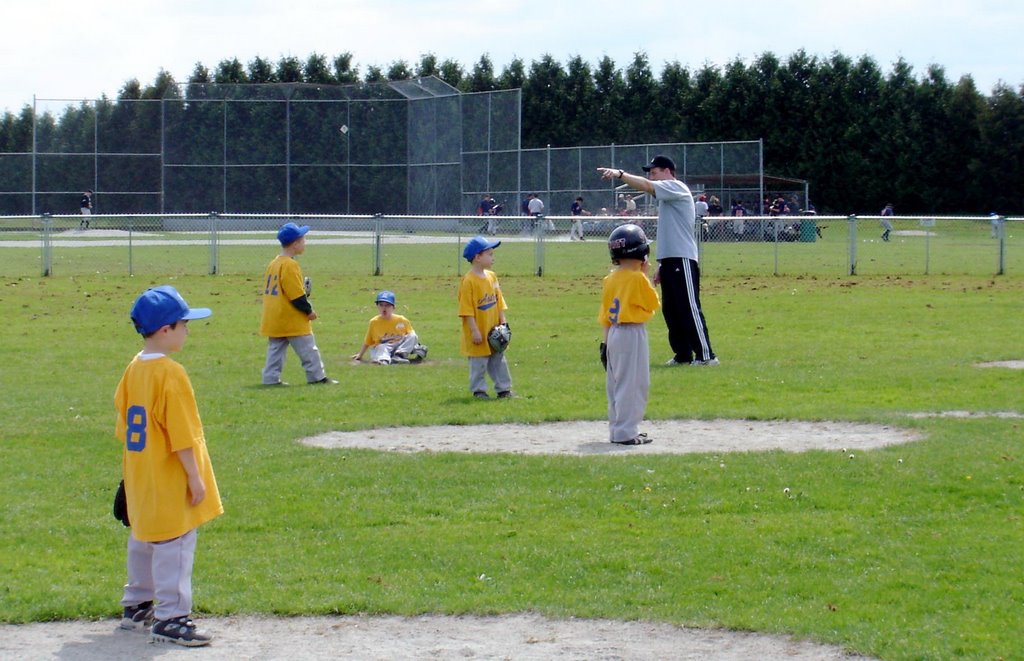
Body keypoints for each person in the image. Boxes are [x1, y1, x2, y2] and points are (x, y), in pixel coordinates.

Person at [115, 285, 222, 647]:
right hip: (168, 476)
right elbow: (182, 436)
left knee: (144, 539)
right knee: (174, 544)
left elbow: (124, 427)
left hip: (140, 475)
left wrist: (126, 478)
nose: (187, 330)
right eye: (182, 324)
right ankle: (172, 617)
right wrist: (195, 478)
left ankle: (137, 606)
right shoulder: (170, 373)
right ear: (165, 330)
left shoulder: (134, 368)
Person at [597, 155, 718, 367]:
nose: (651, 176)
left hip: (683, 258)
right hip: (670, 260)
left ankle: (706, 356)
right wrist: (662, 264)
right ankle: (683, 355)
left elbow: (646, 186)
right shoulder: (667, 196)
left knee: (688, 307)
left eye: (654, 172)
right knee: (671, 310)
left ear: (668, 171)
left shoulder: (676, 186)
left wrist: (620, 174)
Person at [599, 224, 660, 445]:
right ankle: (626, 432)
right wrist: (645, 276)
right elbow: (653, 303)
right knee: (633, 385)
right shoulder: (637, 278)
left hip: (613, 333)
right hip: (632, 333)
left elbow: (604, 315)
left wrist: (605, 344)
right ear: (641, 252)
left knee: (616, 384)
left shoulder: (610, 279)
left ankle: (618, 429)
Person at [259, 222, 337, 386]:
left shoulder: (274, 263)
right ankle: (317, 377)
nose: (304, 243)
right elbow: (295, 295)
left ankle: (270, 379)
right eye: (303, 240)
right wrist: (308, 310)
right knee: (309, 350)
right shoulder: (290, 265)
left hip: (274, 316)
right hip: (291, 317)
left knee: (275, 351)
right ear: (295, 244)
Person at [458, 236, 513, 399]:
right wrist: (474, 331)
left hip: (494, 329)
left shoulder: (492, 276)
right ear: (477, 257)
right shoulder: (468, 281)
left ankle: (504, 389)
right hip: (478, 331)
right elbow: (466, 310)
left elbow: (499, 300)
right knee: (479, 363)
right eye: (489, 254)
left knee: (499, 360)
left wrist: (503, 321)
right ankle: (479, 390)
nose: (492, 257)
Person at [350, 290, 425, 365]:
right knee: (381, 347)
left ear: (393, 307)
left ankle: (399, 356)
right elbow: (367, 341)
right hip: (384, 347)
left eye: (387, 305)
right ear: (377, 306)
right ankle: (384, 360)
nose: (384, 308)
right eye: (381, 305)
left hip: (398, 346)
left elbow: (411, 337)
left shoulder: (402, 320)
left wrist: (414, 345)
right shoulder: (374, 322)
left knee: (413, 335)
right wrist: (360, 354)